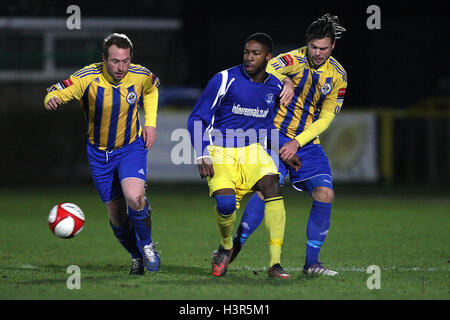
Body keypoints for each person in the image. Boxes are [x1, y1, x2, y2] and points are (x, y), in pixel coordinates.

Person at [231, 14, 348, 276]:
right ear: (307, 43)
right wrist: (284, 80)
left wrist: (297, 142)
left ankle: (311, 264)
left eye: (323, 48)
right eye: (313, 47)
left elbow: (327, 117)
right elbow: (265, 69)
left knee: (325, 194)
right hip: (273, 134)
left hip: (305, 141)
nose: (317, 53)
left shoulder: (338, 76)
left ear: (333, 47)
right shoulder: (291, 59)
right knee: (267, 188)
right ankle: (233, 247)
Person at [44, 33, 161, 275]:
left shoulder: (139, 75)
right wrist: (52, 99)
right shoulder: (87, 78)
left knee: (135, 197)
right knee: (118, 218)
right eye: (115, 61)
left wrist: (150, 123)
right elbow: (57, 91)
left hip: (131, 147)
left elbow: (151, 89)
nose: (121, 67)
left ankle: (148, 245)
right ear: (104, 59)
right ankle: (136, 256)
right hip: (99, 155)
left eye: (125, 61)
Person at [187, 33, 300, 279]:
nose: (249, 57)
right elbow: (197, 117)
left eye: (256, 53)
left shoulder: (276, 87)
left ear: (268, 57)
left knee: (273, 184)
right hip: (220, 149)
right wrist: (201, 153)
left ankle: (275, 263)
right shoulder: (224, 79)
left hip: (252, 151)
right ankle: (226, 247)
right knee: (226, 205)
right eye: (246, 52)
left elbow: (268, 126)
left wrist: (284, 148)